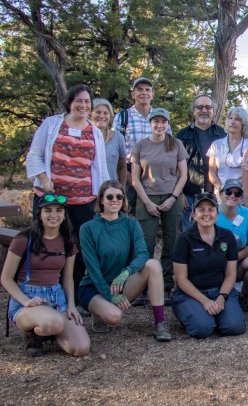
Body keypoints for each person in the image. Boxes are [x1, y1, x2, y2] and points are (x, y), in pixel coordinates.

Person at [26, 84, 109, 290]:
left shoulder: (95, 132)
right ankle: (42, 288)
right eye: (78, 100)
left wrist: (103, 196)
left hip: (83, 202)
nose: (83, 105)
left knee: (78, 247)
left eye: (87, 101)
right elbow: (35, 154)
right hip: (52, 198)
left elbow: (100, 166)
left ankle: (73, 294)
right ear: (70, 102)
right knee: (46, 242)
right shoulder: (52, 124)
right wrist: (45, 180)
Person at [78, 180, 172, 341]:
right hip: (94, 286)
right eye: (110, 197)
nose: (115, 200)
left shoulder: (131, 224)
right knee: (114, 317)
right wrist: (109, 295)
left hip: (120, 283)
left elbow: (143, 254)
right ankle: (100, 310)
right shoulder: (87, 228)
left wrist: (126, 272)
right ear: (101, 199)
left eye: (119, 197)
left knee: (153, 265)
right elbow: (92, 268)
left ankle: (160, 322)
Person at [2, 194, 90, 357]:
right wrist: (26, 301)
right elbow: (6, 278)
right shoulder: (23, 239)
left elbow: (68, 278)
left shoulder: (69, 241)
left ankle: (49, 329)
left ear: (64, 215)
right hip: (27, 298)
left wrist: (71, 305)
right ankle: (32, 331)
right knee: (54, 322)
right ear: (39, 214)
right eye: (48, 210)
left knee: (81, 348)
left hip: (56, 297)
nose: (53, 215)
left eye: (59, 211)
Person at [130, 108, 188, 297]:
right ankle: (141, 286)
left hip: (172, 197)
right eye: (156, 121)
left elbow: (183, 175)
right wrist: (146, 202)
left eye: (163, 122)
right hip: (147, 197)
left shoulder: (176, 144)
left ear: (168, 124)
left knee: (171, 242)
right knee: (145, 243)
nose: (159, 125)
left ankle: (165, 284)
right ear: (150, 123)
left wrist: (173, 198)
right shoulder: (141, 146)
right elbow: (135, 179)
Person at [172, 193, 246, 338]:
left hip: (220, 290)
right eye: (201, 210)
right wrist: (204, 301)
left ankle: (214, 315)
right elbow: (181, 279)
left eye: (211, 210)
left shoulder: (227, 236)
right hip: (192, 293)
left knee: (234, 327)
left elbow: (231, 274)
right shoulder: (184, 239)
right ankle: (192, 312)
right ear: (193, 214)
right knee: (202, 329)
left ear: (217, 214)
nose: (206, 214)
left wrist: (221, 297)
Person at [113, 77, 171, 213]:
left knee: (152, 217)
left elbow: (168, 148)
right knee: (127, 214)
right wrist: (129, 178)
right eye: (139, 90)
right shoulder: (122, 117)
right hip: (128, 175)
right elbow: (115, 150)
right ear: (133, 94)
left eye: (147, 90)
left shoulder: (161, 118)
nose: (144, 93)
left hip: (155, 177)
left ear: (152, 94)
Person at [176, 94, 226, 230]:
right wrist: (179, 194)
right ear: (194, 110)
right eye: (200, 107)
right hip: (190, 194)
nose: (204, 110)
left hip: (216, 195)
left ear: (213, 111)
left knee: (216, 235)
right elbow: (174, 167)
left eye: (208, 107)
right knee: (190, 236)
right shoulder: (182, 135)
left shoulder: (223, 134)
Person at [216, 179, 248, 313]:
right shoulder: (212, 212)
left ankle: (244, 296)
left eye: (238, 193)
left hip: (237, 260)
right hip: (215, 262)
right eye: (228, 192)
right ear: (220, 193)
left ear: (241, 197)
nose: (232, 196)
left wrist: (232, 258)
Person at [208, 106, 248, 195]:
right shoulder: (216, 145)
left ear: (244, 123)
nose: (232, 122)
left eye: (237, 119)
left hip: (242, 197)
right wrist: (222, 190)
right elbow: (212, 172)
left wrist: (243, 194)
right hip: (221, 197)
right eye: (230, 118)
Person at [91, 98, 127, 183]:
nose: (102, 116)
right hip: (88, 190)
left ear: (110, 116)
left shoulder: (118, 138)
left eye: (105, 113)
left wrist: (122, 190)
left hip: (111, 189)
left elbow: (122, 167)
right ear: (90, 114)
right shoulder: (84, 137)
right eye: (98, 112)